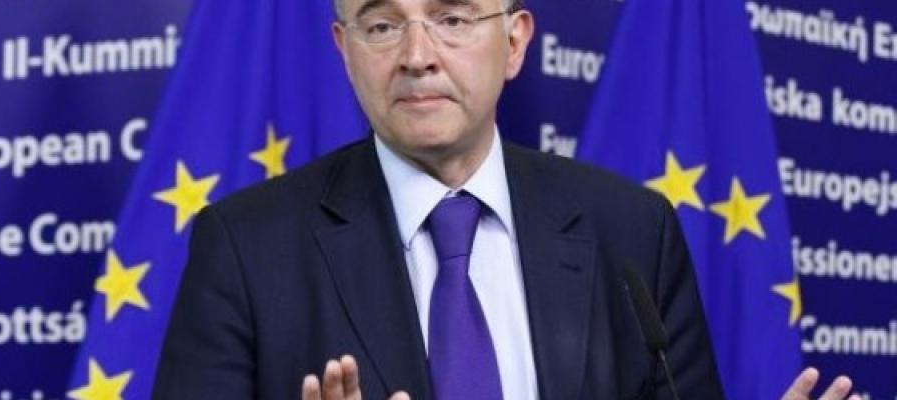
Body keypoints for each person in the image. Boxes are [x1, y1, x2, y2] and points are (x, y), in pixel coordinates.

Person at [152, 0, 860, 399]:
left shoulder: (631, 231)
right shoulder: (246, 247)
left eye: (453, 18)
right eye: (382, 24)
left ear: (515, 43)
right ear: (344, 48)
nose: (418, 54)